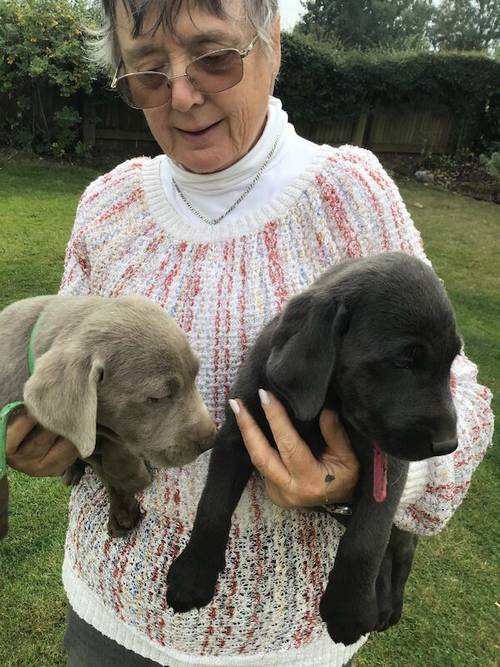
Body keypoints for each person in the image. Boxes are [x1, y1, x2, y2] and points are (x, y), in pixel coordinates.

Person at [6, 1, 494, 666]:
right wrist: (55, 440)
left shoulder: (348, 192)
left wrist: (371, 483)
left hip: (281, 643)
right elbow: (65, 377)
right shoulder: (108, 205)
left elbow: (451, 387)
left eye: (214, 57)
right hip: (109, 612)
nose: (181, 93)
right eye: (148, 70)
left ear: (273, 49)